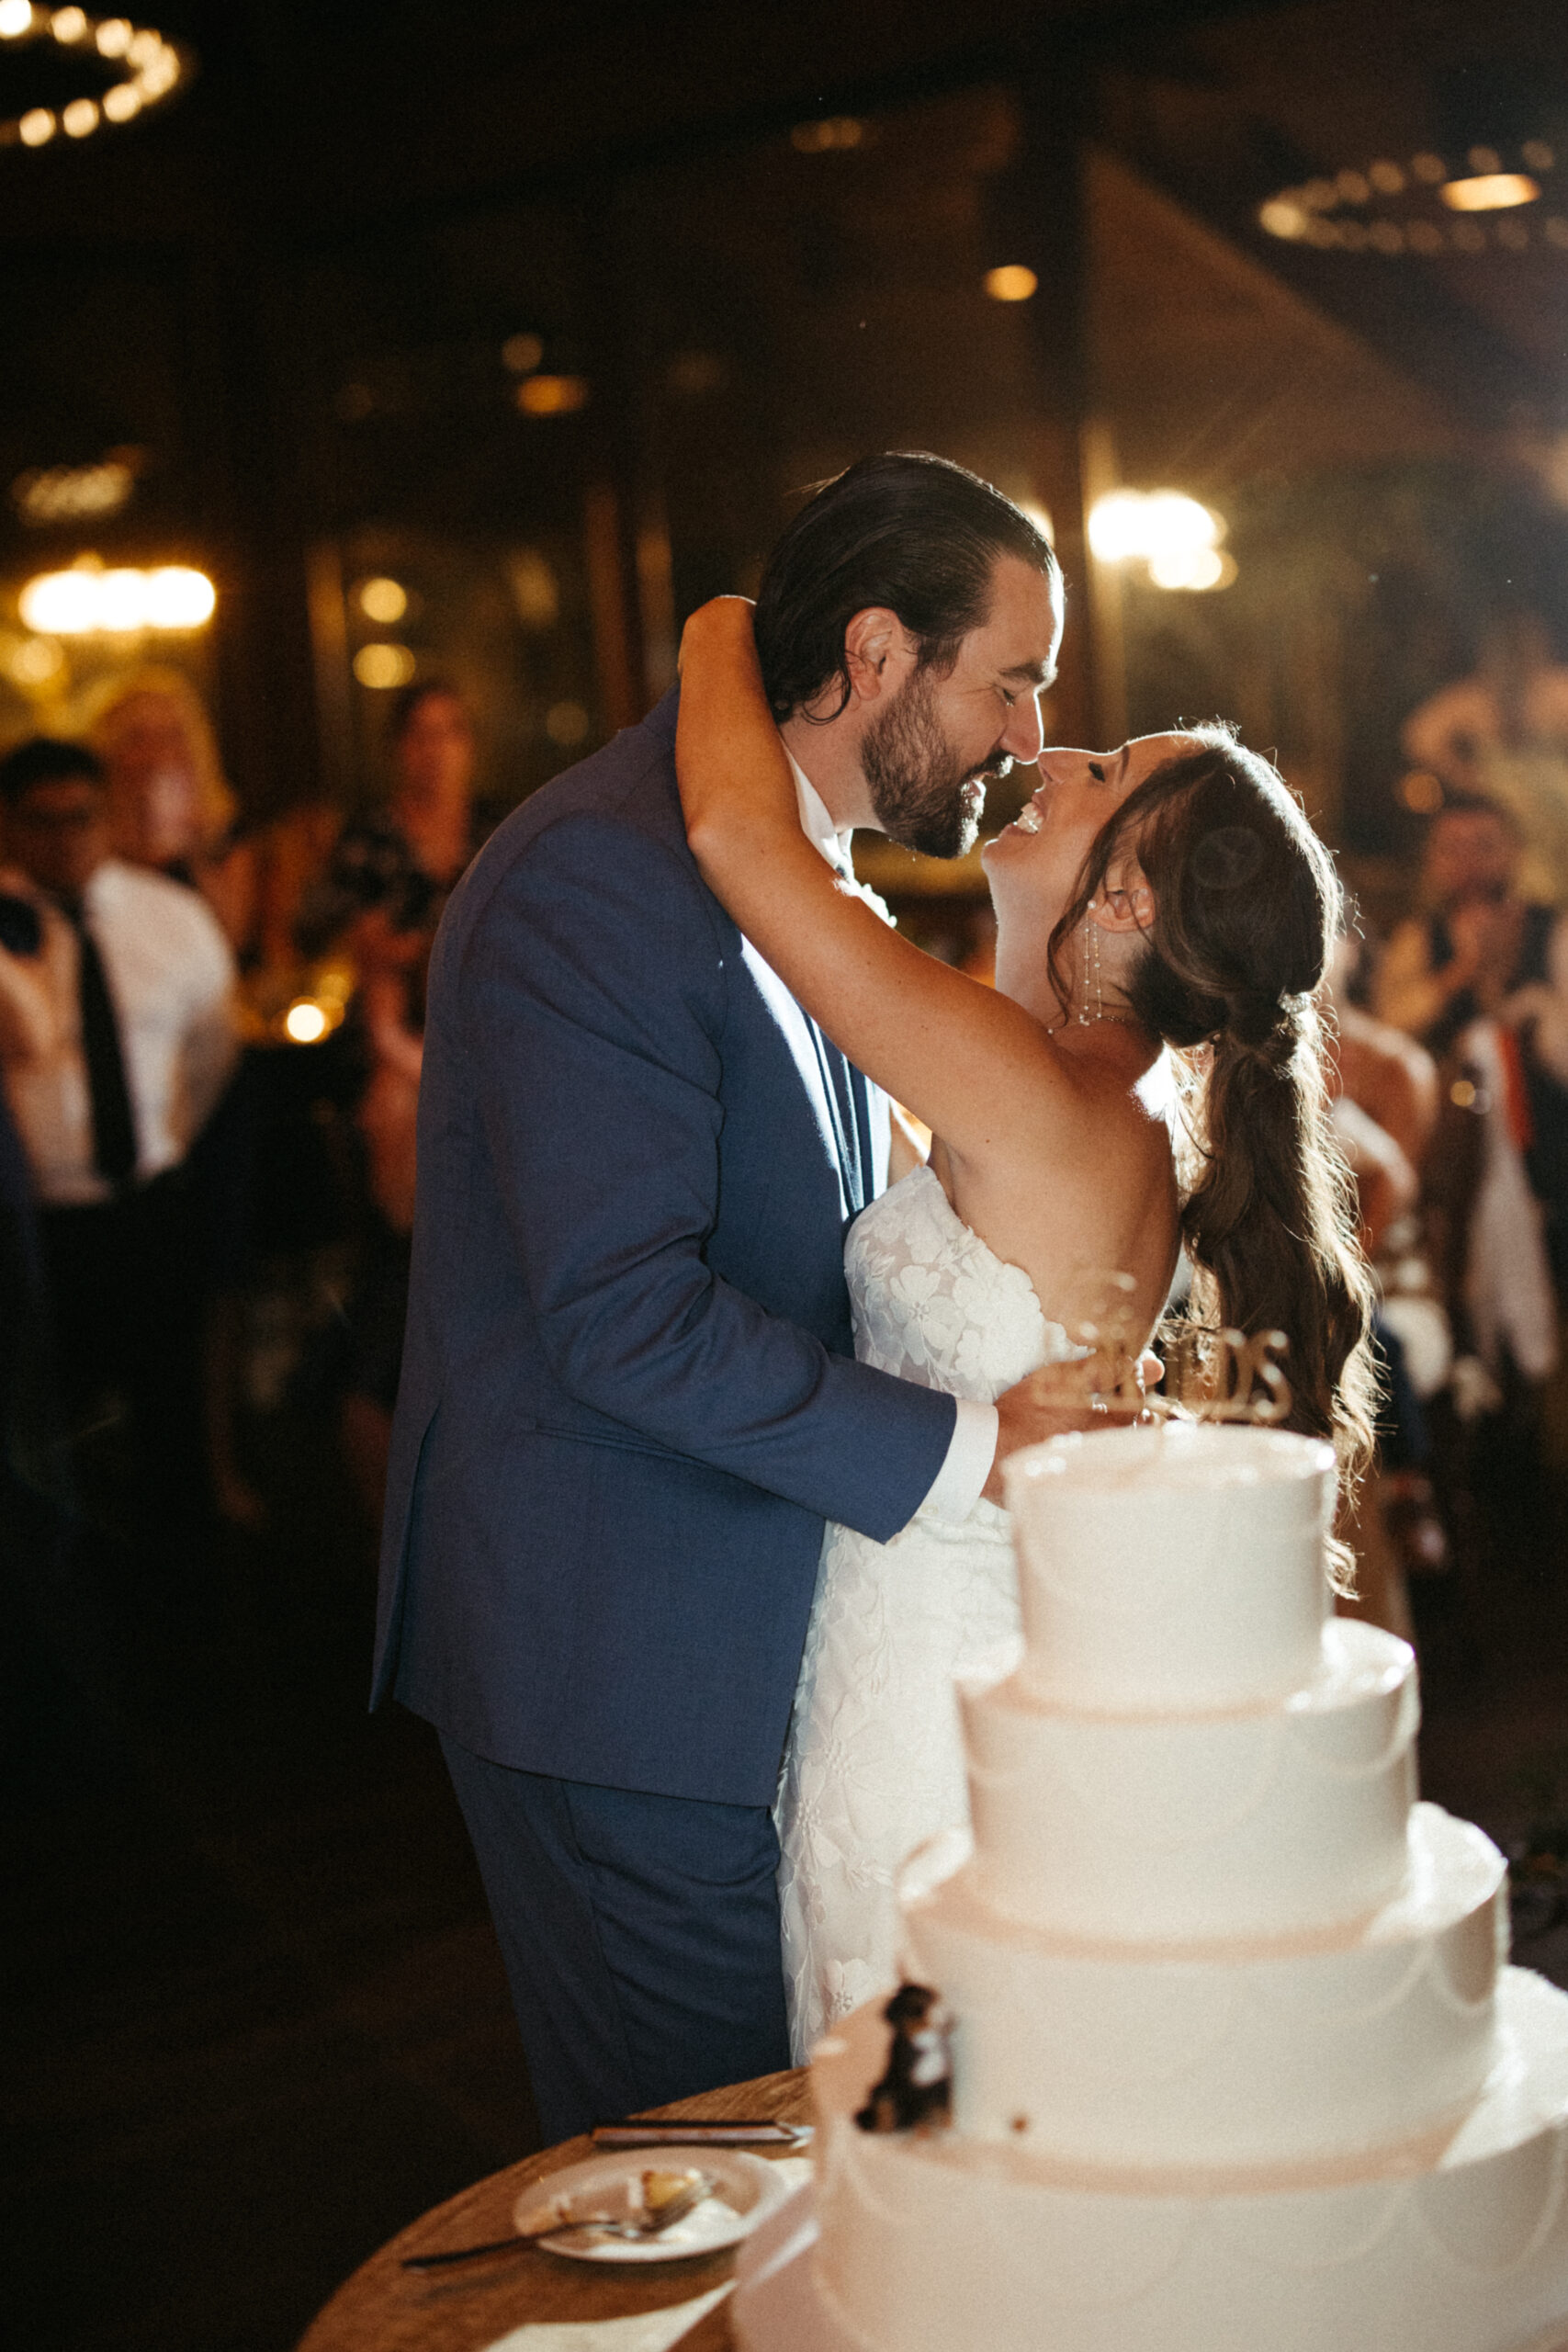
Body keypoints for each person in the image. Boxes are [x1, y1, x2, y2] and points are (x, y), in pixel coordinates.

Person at [373, 454, 1099, 2142]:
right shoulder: (597, 882)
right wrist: (975, 1451)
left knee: (780, 2162)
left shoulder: (777, 863)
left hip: (762, 1628)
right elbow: (622, 1318)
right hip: (623, 1647)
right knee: (705, 2164)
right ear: (870, 651)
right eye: (1008, 678)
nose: (1018, 734)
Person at [675, 595, 1377, 2058]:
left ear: (1125, 899)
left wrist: (728, 623)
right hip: (922, 1663)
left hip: (933, 1717)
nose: (1048, 756)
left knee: (915, 2143)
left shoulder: (1048, 1095)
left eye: (1105, 771)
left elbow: (740, 842)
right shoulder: (1072, 1093)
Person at [0, 737, 237, 1533]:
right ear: (11, 826)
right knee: (45, 1422)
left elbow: (211, 1051)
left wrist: (165, 1141)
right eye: (43, 821)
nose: (65, 837)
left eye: (81, 817)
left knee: (169, 1404)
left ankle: (185, 1586)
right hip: (37, 1217)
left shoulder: (168, 918)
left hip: (148, 1204)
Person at [91, 669, 254, 953]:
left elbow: (230, 938)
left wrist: (194, 849)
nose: (155, 753)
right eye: (138, 739)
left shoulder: (220, 831)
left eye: (170, 736)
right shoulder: (89, 827)